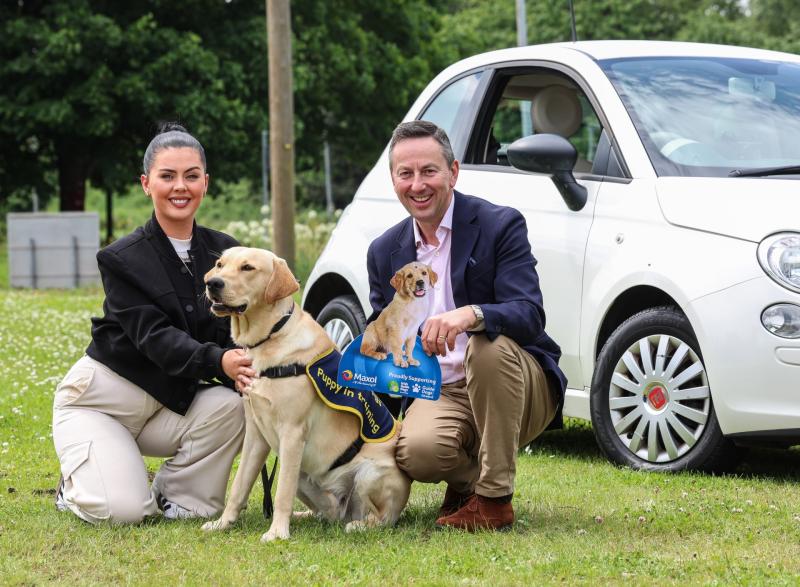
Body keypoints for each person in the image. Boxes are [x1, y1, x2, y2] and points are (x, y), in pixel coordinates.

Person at [366, 120, 567, 531]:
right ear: (393, 180)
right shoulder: (384, 251)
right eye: (406, 174)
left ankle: (494, 501)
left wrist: (471, 315)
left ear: (453, 172)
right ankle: (468, 483)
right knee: (416, 453)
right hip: (441, 388)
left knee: (486, 344)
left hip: (514, 381)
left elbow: (529, 314)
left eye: (429, 171)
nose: (417, 184)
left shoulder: (499, 225)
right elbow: (384, 336)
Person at [52, 123, 255, 524]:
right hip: (102, 404)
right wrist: (221, 363)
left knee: (233, 406)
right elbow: (156, 338)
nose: (180, 187)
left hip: (170, 402)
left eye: (191, 176)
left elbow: (233, 325)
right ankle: (75, 487)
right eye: (167, 176)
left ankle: (177, 495)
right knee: (123, 512)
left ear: (206, 183)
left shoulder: (225, 250)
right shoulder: (119, 258)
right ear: (146, 183)